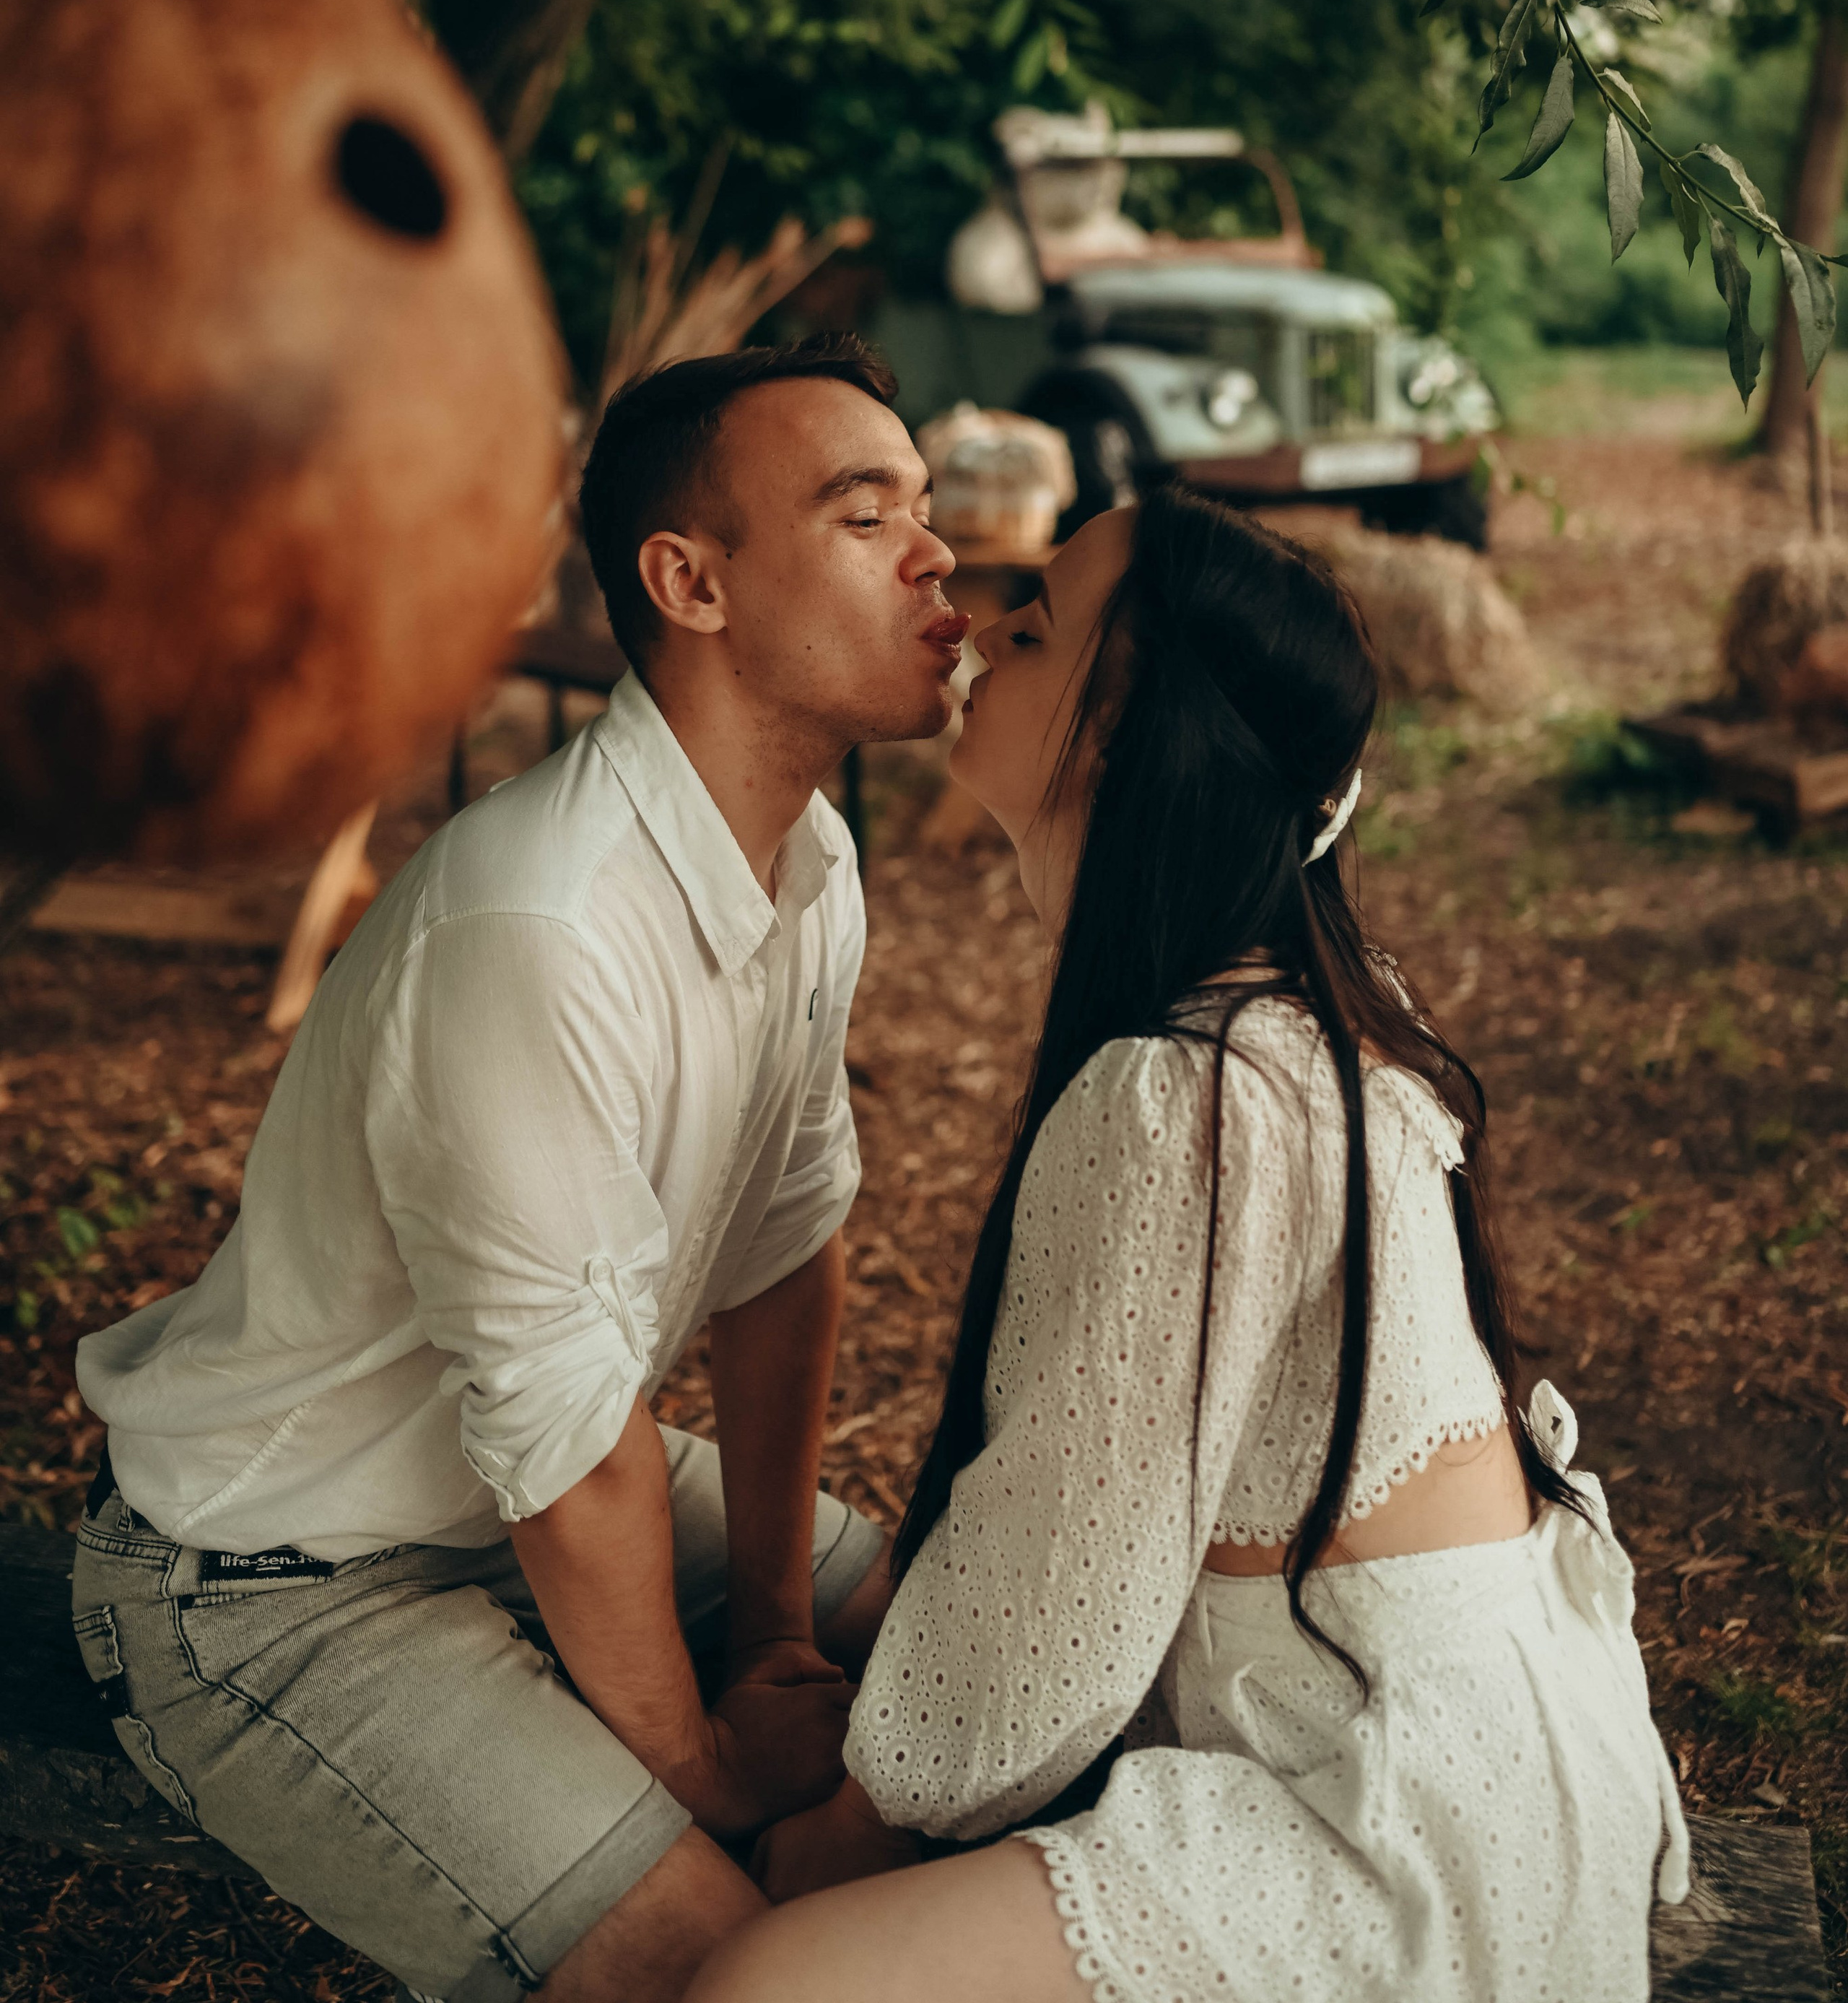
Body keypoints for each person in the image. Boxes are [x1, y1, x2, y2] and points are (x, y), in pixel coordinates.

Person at [687, 485, 1690, 2003]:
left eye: (1031, 627)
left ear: (1124, 733)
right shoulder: (1291, 1005)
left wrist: (854, 1819)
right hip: (1472, 1730)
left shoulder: (1196, 1098)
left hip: (1385, 1802)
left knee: (766, 1983)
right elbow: (1056, 1487)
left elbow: (1058, 1610)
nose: (972, 626)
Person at [71, 333, 969, 2003]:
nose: (937, 555)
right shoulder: (539, 924)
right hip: (283, 1578)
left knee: (956, 1634)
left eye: (924, 506)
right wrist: (699, 1771)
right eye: (864, 517)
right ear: (687, 583)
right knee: (735, 1975)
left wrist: (774, 1626)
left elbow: (784, 1260)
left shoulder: (810, 861)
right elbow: (573, 1469)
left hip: (524, 1483)